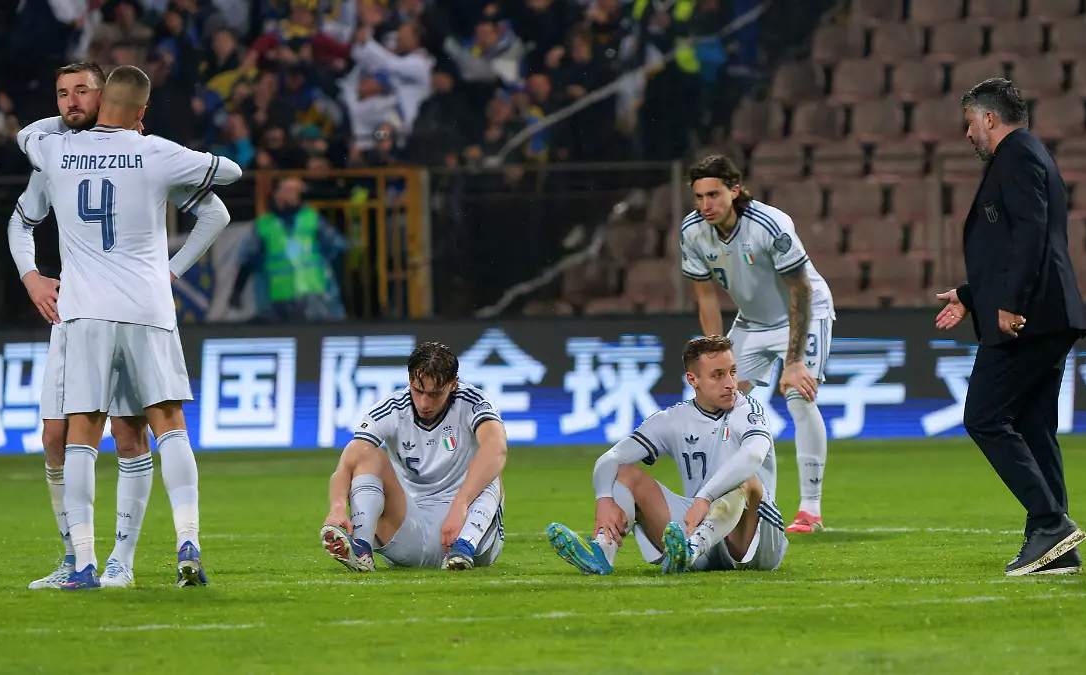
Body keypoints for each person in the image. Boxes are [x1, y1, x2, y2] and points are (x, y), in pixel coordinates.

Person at [17, 65, 243, 590]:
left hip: (86, 313)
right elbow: (230, 174)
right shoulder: (155, 152)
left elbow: (28, 134)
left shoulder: (56, 150)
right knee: (167, 424)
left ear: (100, 102)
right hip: (148, 308)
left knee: (82, 434)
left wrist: (64, 122)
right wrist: (173, 267)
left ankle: (84, 564)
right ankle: (188, 539)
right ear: (142, 111)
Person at [936, 78, 1086, 577]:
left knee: (984, 417)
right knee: (1034, 427)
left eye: (970, 123)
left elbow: (1030, 232)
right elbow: (1010, 246)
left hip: (1029, 316)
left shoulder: (1016, 157)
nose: (968, 134)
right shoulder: (1032, 153)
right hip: (1049, 313)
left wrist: (1010, 302)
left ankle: (1050, 524)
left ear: (989, 118)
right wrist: (970, 294)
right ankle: (1057, 547)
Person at [680, 155, 835, 534]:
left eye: (713, 195)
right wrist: (714, 354)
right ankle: (765, 506)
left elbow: (801, 290)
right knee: (724, 405)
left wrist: (793, 362)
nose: (705, 205)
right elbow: (706, 297)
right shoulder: (693, 231)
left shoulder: (769, 224)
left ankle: (810, 510)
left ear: (734, 190)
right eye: (699, 197)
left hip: (806, 313)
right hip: (752, 322)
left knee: (799, 396)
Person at [547, 336, 788, 575]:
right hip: (699, 522)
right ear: (692, 379)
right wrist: (604, 499)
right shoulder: (672, 420)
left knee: (746, 481)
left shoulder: (749, 412)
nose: (730, 383)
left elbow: (753, 456)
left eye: (732, 372)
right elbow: (610, 458)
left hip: (754, 541)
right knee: (624, 474)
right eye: (718, 375)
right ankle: (602, 551)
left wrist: (704, 497)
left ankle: (690, 551)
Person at [320, 341, 508, 572]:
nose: (424, 403)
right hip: (411, 531)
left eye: (435, 394)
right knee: (369, 456)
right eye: (418, 391)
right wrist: (337, 507)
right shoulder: (391, 409)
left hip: (471, 530)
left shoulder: (474, 402)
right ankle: (361, 549)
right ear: (410, 381)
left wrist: (460, 505)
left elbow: (497, 449)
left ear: (453, 384)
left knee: (489, 462)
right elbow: (347, 463)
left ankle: (463, 547)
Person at [228, 176, 347, 322]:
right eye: (289, 190)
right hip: (276, 299)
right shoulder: (264, 225)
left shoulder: (312, 218)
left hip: (313, 295)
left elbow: (336, 250)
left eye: (298, 190)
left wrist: (339, 288)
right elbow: (247, 260)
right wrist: (237, 291)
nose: (295, 194)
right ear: (276, 193)